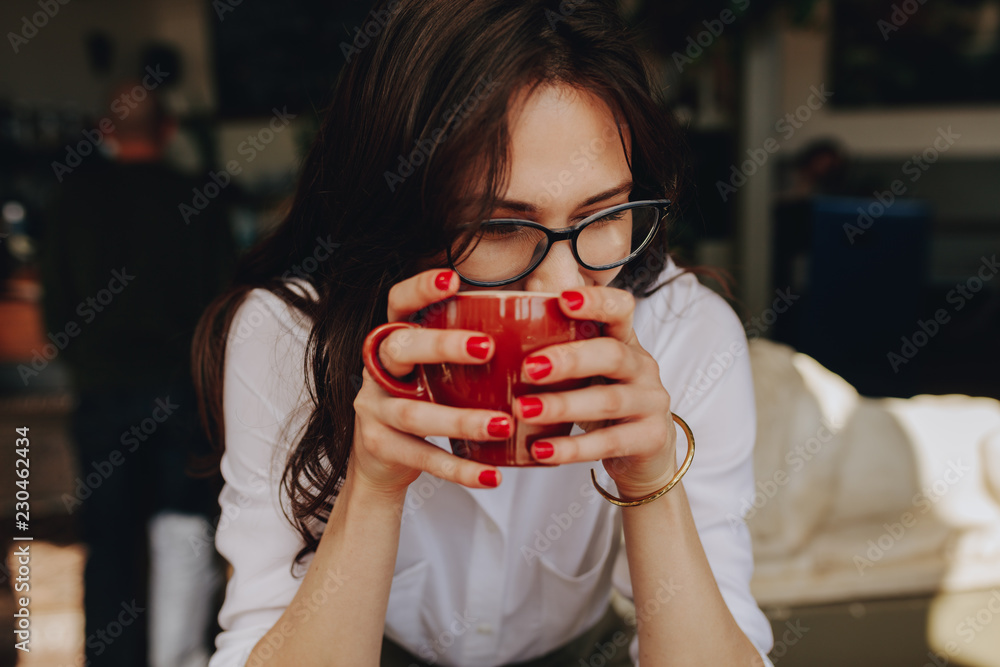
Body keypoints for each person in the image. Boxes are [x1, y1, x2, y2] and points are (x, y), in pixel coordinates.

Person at [196, 0, 775, 664]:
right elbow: (256, 633)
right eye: (499, 227)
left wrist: (650, 482)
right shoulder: (289, 336)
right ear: (396, 223)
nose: (564, 287)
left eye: (605, 212)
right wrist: (372, 488)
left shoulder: (684, 334)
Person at [39, 81, 235, 666]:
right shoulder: (200, 197)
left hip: (101, 394)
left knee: (109, 539)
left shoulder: (70, 200)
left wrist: (84, 359)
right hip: (182, 393)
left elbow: (56, 307)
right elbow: (224, 302)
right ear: (169, 130)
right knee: (183, 537)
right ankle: (180, 658)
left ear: (104, 133)